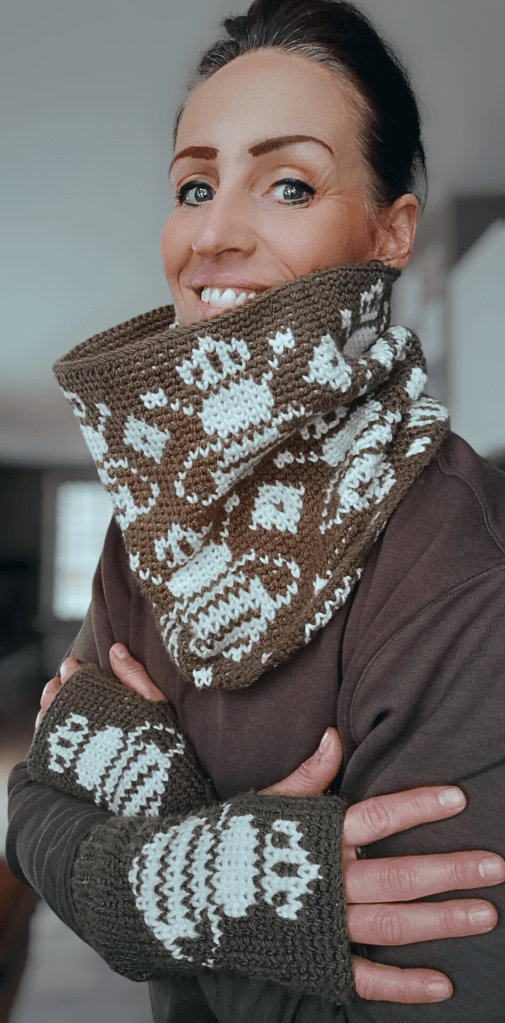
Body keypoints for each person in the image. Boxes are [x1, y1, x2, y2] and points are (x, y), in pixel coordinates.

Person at [7, 1, 505, 1020]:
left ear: (389, 232)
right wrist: (182, 881)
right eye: (194, 186)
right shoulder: (150, 523)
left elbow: (435, 995)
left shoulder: (454, 560)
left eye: (288, 185)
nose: (213, 234)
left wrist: (176, 853)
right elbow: (29, 812)